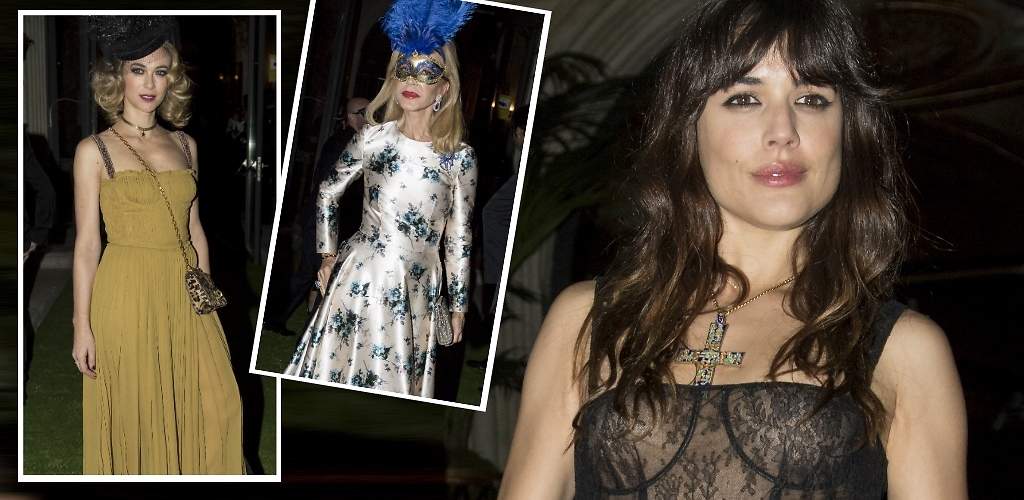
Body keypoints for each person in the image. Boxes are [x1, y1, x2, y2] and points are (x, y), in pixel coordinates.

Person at [500, 0, 967, 498]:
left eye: (812, 99)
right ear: (690, 129)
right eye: (744, 98)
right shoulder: (587, 321)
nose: (783, 132)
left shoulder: (906, 349)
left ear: (848, 131)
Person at [72, 16, 243, 474]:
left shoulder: (186, 145)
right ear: (118, 77)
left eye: (161, 71)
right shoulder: (94, 150)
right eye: (139, 70)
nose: (150, 83)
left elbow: (194, 227)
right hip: (126, 289)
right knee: (138, 408)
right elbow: (87, 245)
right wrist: (82, 324)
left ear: (173, 80)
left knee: (218, 402)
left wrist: (206, 296)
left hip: (184, 287)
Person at [284, 0, 478, 398]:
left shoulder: (459, 157)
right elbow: (327, 191)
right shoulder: (372, 138)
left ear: (444, 87)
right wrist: (327, 255)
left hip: (420, 286)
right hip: (362, 273)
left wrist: (458, 305)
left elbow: (459, 237)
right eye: (404, 67)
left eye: (427, 71)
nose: (411, 78)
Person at [263, 96, 369, 336]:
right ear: (352, 116)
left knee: (315, 274)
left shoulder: (348, 141)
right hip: (323, 220)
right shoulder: (343, 143)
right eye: (365, 112)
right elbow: (329, 187)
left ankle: (291, 321)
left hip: (329, 219)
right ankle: (277, 318)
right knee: (310, 272)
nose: (370, 117)